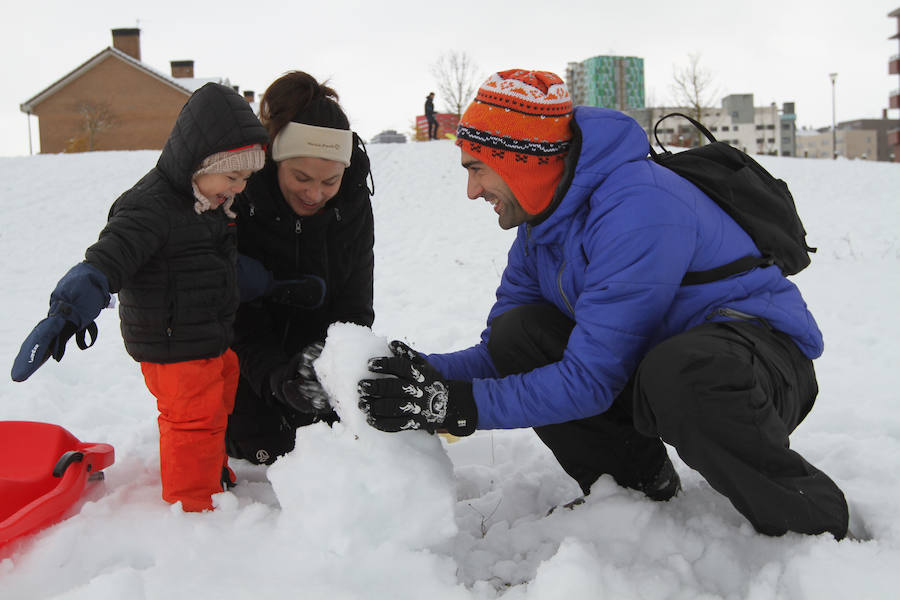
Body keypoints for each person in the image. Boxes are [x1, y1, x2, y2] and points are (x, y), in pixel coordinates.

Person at [357, 69, 850, 539]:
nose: (472, 192)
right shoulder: (540, 231)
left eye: (478, 169)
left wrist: (453, 407)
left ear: (523, 162)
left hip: (755, 372)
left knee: (680, 371)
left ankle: (812, 525)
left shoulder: (638, 207)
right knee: (520, 333)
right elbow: (499, 355)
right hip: (663, 367)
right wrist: (422, 375)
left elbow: (589, 381)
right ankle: (635, 489)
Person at [11, 83, 269, 512]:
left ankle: (208, 472)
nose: (239, 188)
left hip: (204, 336)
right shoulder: (150, 207)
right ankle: (194, 504)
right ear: (200, 163)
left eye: (244, 179)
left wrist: (277, 285)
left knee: (220, 396)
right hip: (171, 342)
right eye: (233, 176)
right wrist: (68, 311)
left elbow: (219, 268)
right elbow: (108, 259)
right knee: (194, 419)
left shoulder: (207, 203)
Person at [224, 71, 375, 466]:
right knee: (261, 444)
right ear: (275, 161)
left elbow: (355, 305)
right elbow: (233, 317)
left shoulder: (353, 202)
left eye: (331, 180)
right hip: (247, 361)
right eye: (301, 177)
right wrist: (278, 377)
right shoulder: (241, 196)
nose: (315, 194)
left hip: (314, 358)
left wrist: (329, 363)